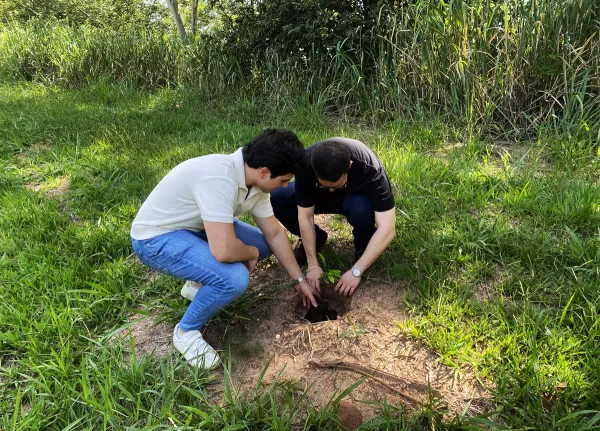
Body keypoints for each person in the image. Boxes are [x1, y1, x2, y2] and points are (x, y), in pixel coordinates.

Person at [130, 129, 319, 370]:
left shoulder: (256, 183)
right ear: (265, 172)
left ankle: (197, 283)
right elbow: (224, 251)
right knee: (234, 279)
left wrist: (300, 278)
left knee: (263, 243)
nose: (284, 186)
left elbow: (274, 234)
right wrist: (249, 254)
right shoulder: (220, 178)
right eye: (283, 180)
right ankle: (186, 331)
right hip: (155, 238)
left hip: (193, 227)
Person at [270, 137, 396, 297]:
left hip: (354, 200)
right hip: (319, 198)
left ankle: (363, 249)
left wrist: (357, 271)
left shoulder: (369, 168)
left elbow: (388, 228)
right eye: (324, 185)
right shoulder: (305, 164)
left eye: (337, 185)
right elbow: (305, 216)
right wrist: (312, 264)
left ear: (349, 166)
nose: (331, 190)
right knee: (279, 196)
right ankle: (317, 238)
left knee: (360, 208)